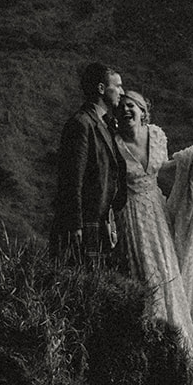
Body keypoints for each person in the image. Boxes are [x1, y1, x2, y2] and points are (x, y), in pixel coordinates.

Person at [114, 90, 193, 371]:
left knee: (168, 272)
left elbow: (162, 167)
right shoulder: (114, 142)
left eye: (132, 105)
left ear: (144, 111)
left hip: (156, 214)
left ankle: (175, 341)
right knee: (144, 273)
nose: (126, 110)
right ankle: (151, 343)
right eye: (121, 106)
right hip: (130, 215)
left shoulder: (156, 136)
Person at [53, 62, 128, 266]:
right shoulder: (81, 124)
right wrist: (74, 224)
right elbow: (72, 179)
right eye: (117, 86)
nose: (122, 92)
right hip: (84, 222)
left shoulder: (104, 123)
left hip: (101, 220)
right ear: (101, 89)